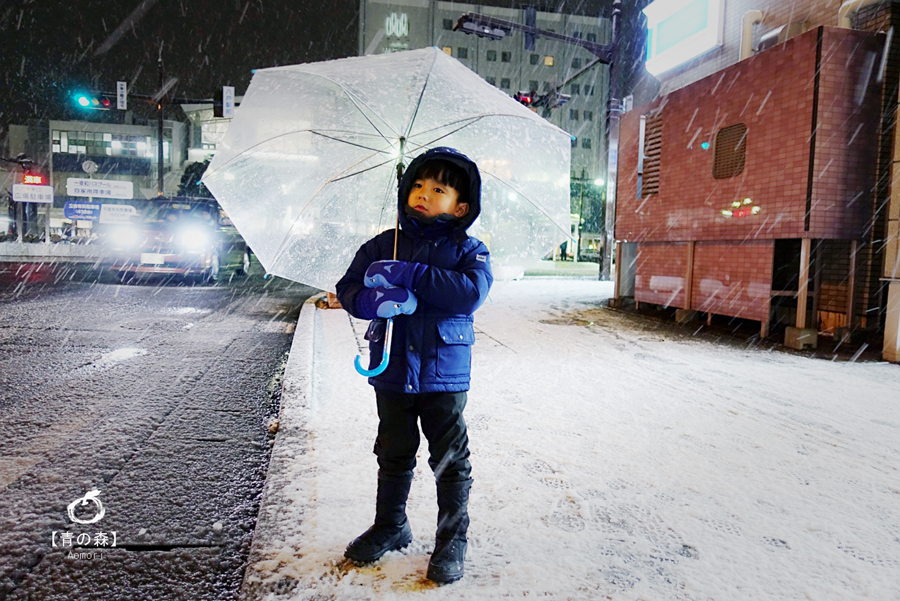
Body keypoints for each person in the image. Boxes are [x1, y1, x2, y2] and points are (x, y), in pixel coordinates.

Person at [335, 147, 493, 584]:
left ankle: (451, 538)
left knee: (449, 456)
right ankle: (391, 524)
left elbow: (468, 293)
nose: (424, 194)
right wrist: (372, 300)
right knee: (393, 449)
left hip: (443, 370)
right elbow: (348, 288)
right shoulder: (384, 243)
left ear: (460, 206)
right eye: (418, 185)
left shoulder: (470, 250)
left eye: (438, 189)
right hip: (391, 363)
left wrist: (411, 275)